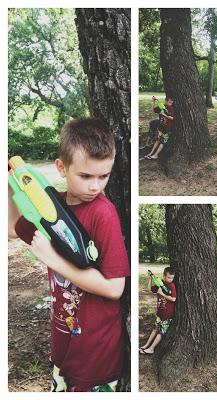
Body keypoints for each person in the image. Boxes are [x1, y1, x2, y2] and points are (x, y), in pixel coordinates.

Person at [8, 118, 130, 392]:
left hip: (95, 356)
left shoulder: (103, 213)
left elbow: (114, 288)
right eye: (85, 176)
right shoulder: (52, 206)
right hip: (63, 344)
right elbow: (11, 229)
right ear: (61, 168)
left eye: (104, 176)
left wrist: (53, 260)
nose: (95, 187)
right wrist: (10, 184)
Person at [139, 267, 176, 355]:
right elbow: (149, 289)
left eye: (172, 278)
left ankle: (151, 349)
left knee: (161, 332)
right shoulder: (160, 283)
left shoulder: (172, 286)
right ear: (164, 276)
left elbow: (173, 299)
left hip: (167, 314)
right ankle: (146, 345)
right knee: (155, 329)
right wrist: (150, 278)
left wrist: (162, 293)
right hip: (160, 312)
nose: (170, 279)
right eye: (168, 277)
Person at [145, 95, 175, 160]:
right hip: (161, 127)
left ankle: (156, 155)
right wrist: (153, 101)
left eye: (171, 103)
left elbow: (172, 118)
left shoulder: (171, 109)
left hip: (167, 128)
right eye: (169, 102)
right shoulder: (161, 106)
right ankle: (151, 153)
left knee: (162, 142)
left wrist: (164, 115)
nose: (170, 104)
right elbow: (153, 110)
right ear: (166, 101)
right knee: (157, 140)